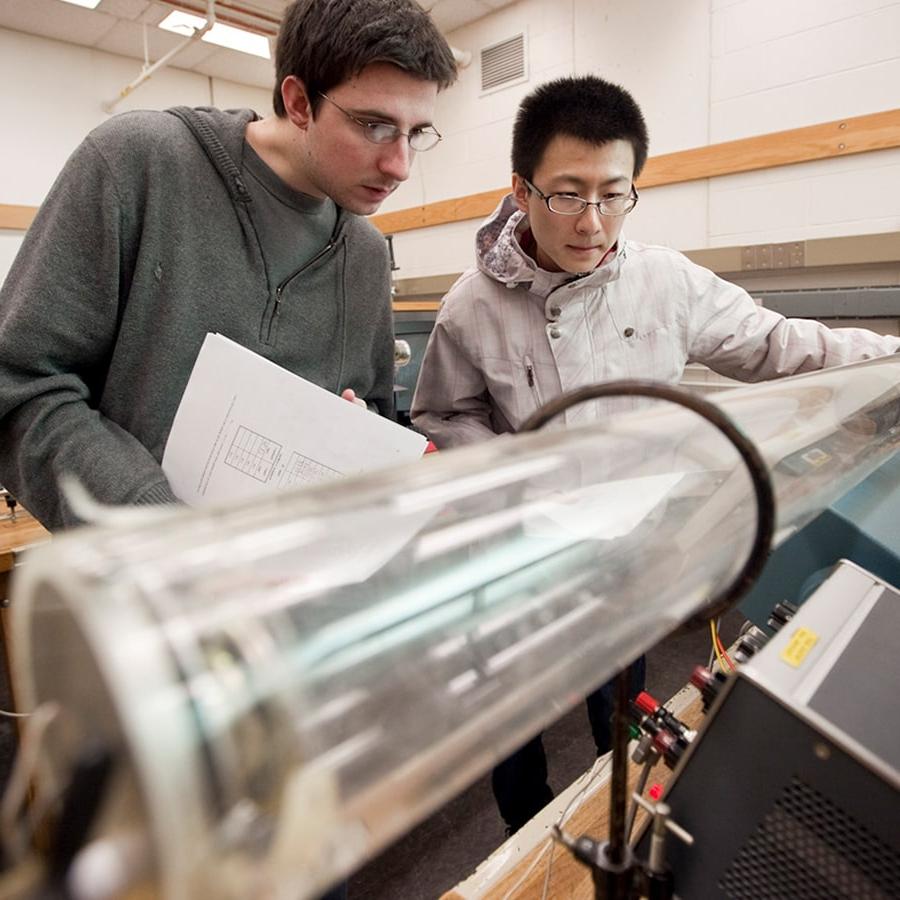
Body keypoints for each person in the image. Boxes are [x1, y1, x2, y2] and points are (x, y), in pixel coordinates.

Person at [410, 75, 900, 834]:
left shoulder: (665, 282)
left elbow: (779, 345)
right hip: (523, 552)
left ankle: (624, 822)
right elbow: (444, 411)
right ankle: (523, 841)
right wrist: (514, 480)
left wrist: (889, 361)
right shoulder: (471, 306)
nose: (593, 221)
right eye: (568, 195)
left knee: (624, 706)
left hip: (630, 548)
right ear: (522, 189)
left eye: (615, 193)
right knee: (512, 721)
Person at [0, 0, 457, 532]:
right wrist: (156, 524)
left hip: (293, 586)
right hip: (141, 582)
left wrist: (354, 437)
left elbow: (374, 409)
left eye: (416, 133)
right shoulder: (137, 164)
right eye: (375, 127)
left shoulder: (366, 254)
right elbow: (20, 386)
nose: (399, 164)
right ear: (299, 101)